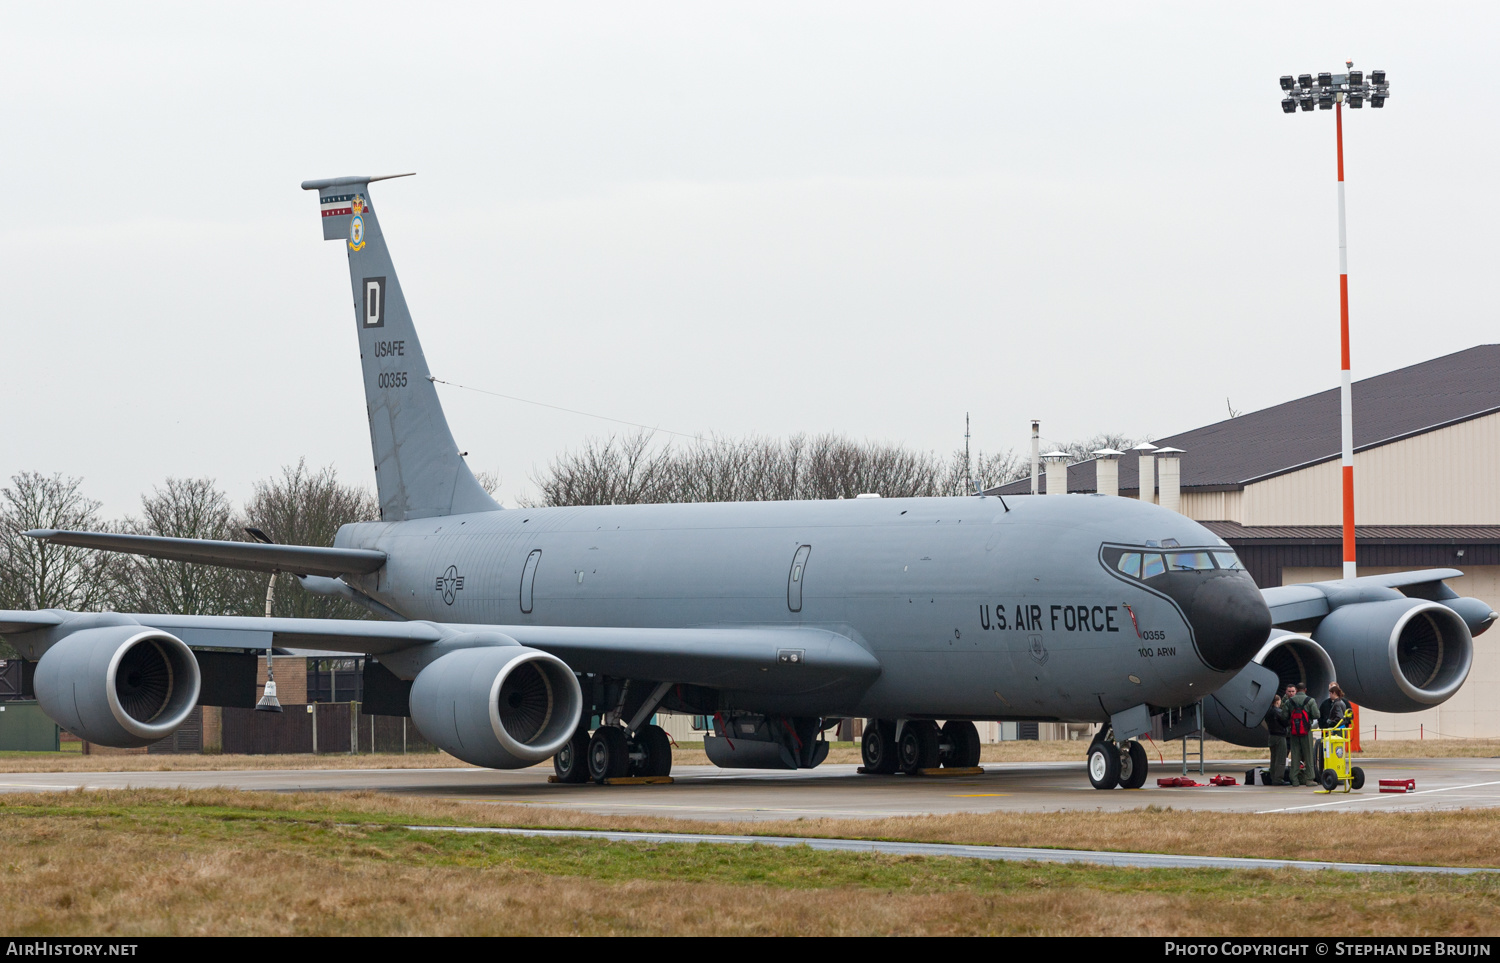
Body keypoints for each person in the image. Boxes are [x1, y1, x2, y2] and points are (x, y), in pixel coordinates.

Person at [1281, 682, 1319, 786]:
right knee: (1308, 755)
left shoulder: (1289, 701)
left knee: (1295, 755)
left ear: (1296, 690)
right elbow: (1317, 714)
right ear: (1305, 690)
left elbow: (1284, 716)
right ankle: (1309, 779)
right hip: (1306, 731)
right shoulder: (1310, 701)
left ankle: (1294, 780)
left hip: (1293, 731)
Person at [1264, 694, 1288, 786]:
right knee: (1280, 758)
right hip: (1280, 736)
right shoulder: (1278, 712)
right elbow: (1285, 722)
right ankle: (1278, 779)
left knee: (1273, 758)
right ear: (1278, 701)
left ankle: (1273, 777)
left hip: (1271, 736)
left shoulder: (1268, 712)